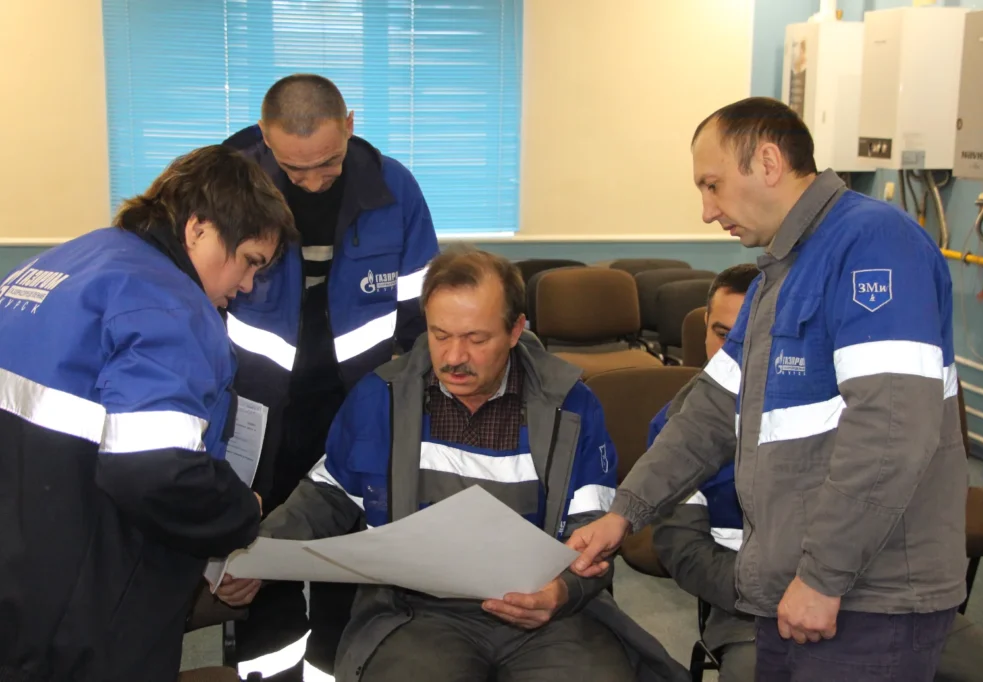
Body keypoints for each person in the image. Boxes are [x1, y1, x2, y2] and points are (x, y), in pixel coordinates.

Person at [568, 97, 969, 681]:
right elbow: (708, 413)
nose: (707, 211)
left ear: (769, 162)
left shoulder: (874, 244)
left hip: (865, 598)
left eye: (712, 185)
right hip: (790, 589)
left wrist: (824, 576)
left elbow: (890, 434)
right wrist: (624, 513)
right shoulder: (778, 275)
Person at [216, 246, 688, 682]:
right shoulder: (382, 397)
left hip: (548, 610)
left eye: (476, 339)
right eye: (440, 335)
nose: (454, 357)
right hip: (418, 612)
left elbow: (593, 526)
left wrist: (562, 592)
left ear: (516, 330)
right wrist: (259, 554)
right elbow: (328, 496)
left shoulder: (571, 407)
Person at [0, 145, 297, 682]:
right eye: (251, 260)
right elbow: (156, 470)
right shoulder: (171, 306)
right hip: (88, 603)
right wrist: (239, 512)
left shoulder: (58, 265)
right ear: (199, 229)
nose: (248, 285)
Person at [645, 268, 983, 682]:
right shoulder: (678, 429)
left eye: (757, 336)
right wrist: (780, 593)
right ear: (705, 332)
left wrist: (836, 586)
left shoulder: (858, 411)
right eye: (723, 335)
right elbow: (684, 549)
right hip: (754, 610)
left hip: (881, 598)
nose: (738, 352)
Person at [223, 74, 440, 679]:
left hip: (359, 405)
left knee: (347, 555)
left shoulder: (394, 189)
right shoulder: (228, 187)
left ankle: (335, 669)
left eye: (328, 163)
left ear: (349, 125)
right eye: (296, 169)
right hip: (257, 410)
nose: (314, 181)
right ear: (266, 137)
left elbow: (422, 314)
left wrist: (404, 401)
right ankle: (268, 671)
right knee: (263, 552)